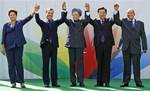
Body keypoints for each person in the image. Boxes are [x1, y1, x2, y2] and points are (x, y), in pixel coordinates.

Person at [84, 3, 119, 87]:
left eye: (103, 12)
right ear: (98, 13)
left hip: (108, 45)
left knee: (106, 63)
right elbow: (88, 20)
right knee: (99, 63)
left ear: (106, 13)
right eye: (100, 12)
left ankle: (106, 82)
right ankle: (99, 82)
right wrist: (87, 11)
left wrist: (116, 11)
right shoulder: (95, 21)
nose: (102, 14)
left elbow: (116, 20)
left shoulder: (110, 21)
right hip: (98, 45)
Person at [114, 4, 148, 87]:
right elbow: (116, 21)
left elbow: (143, 36)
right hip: (126, 48)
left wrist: (145, 47)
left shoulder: (140, 23)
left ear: (134, 14)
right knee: (126, 66)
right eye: (128, 13)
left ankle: (138, 82)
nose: (130, 14)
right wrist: (116, 10)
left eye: (131, 13)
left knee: (136, 66)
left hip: (136, 48)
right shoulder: (124, 22)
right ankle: (125, 82)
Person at [34, 2, 67, 87]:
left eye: (51, 13)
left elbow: (63, 19)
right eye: (48, 12)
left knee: (54, 64)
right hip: (45, 45)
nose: (50, 14)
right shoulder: (43, 23)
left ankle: (54, 82)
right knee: (45, 64)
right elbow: (37, 20)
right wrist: (36, 11)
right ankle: (46, 82)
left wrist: (63, 9)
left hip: (54, 46)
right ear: (45, 13)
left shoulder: (55, 22)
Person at [1, 8, 35, 88]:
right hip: (9, 47)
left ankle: (21, 82)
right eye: (11, 15)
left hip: (18, 46)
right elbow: (3, 36)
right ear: (9, 16)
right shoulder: (6, 25)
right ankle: (13, 82)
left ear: (16, 16)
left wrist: (33, 12)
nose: (12, 16)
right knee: (11, 64)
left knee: (19, 63)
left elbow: (28, 19)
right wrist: (2, 47)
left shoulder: (20, 22)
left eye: (13, 14)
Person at [62, 2, 90, 87]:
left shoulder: (82, 22)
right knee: (72, 64)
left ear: (79, 15)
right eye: (73, 14)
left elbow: (88, 20)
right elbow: (64, 19)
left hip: (79, 46)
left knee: (80, 64)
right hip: (71, 45)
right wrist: (64, 10)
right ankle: (73, 81)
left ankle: (81, 81)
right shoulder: (69, 22)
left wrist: (87, 10)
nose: (75, 16)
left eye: (76, 14)